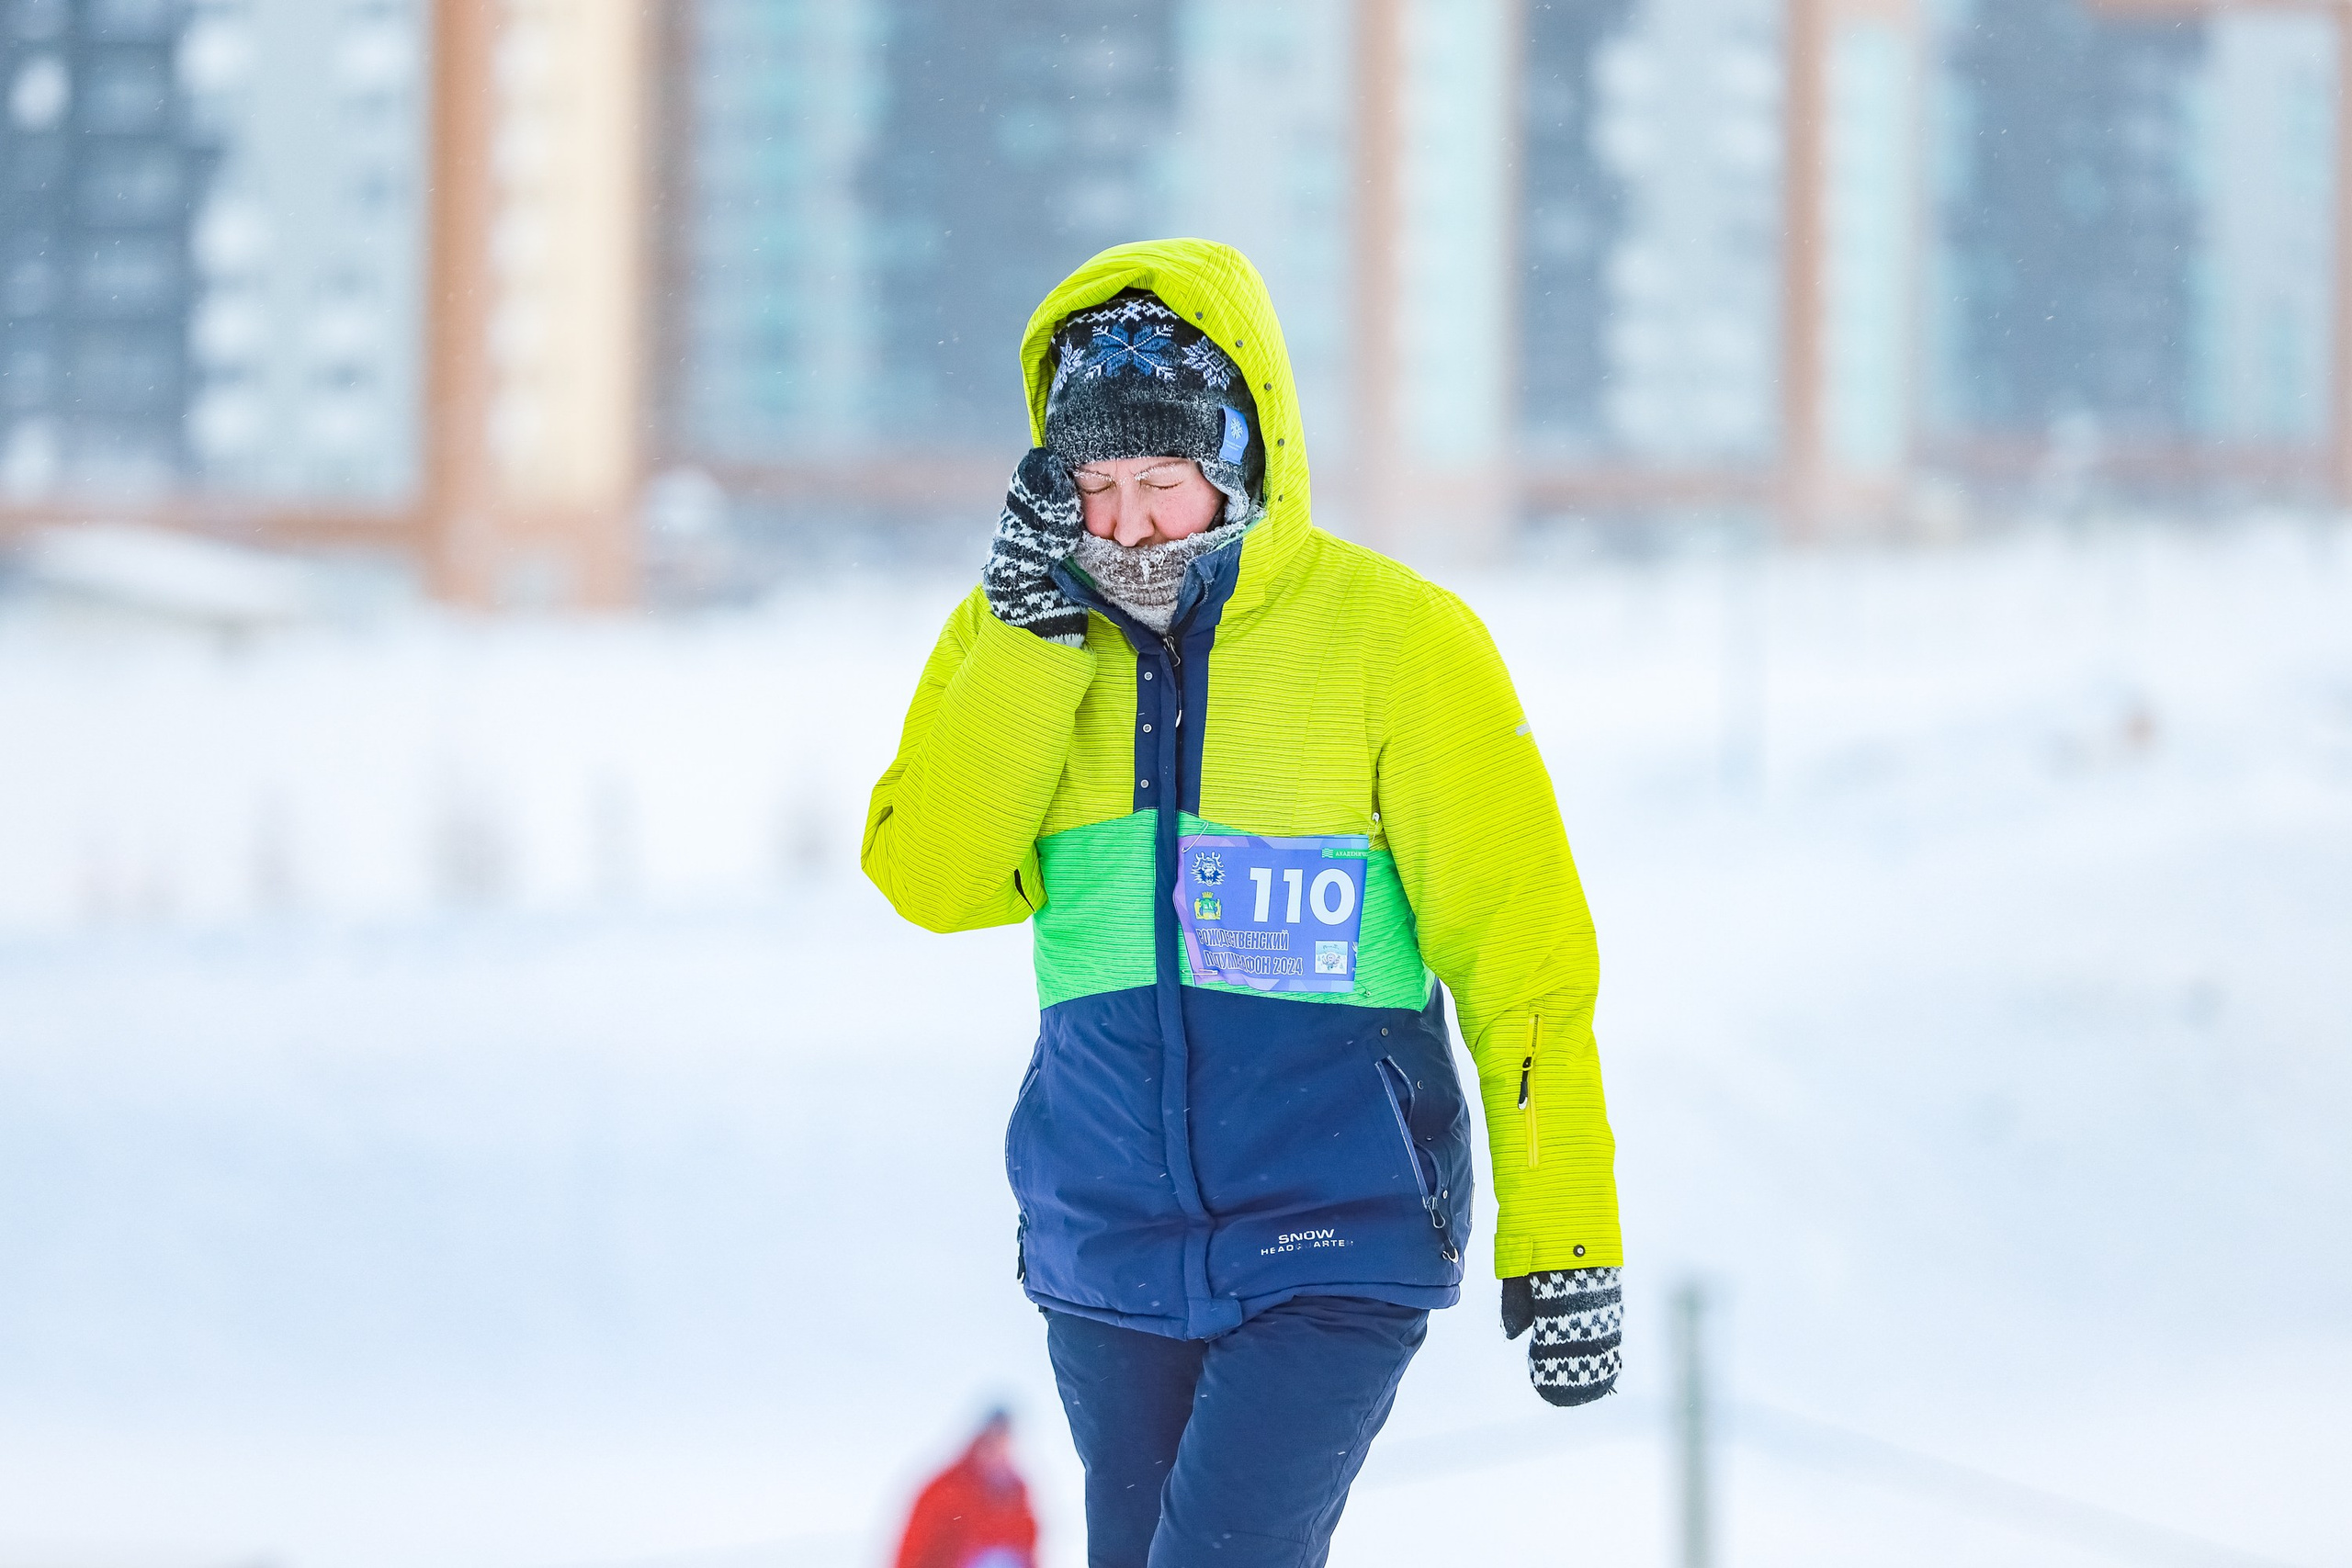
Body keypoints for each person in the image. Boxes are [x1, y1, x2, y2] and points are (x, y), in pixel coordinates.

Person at [865, 239, 1622, 1567]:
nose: (1130, 524)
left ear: (1241, 457)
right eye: (1093, 486)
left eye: (1161, 480)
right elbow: (934, 880)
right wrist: (1027, 649)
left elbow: (1523, 959)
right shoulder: (1019, 632)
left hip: (1335, 1231)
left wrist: (1564, 1234)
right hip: (1110, 1246)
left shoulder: (1397, 640)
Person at [892, 1409, 1038, 1568]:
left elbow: (1027, 1548)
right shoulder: (948, 1486)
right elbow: (914, 1547)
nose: (996, 1451)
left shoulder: (1015, 1491)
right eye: (991, 1442)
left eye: (1003, 1443)